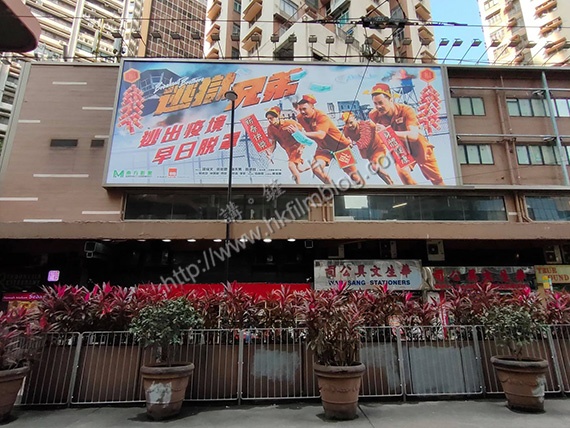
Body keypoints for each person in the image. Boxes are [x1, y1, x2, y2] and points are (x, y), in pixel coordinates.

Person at [368, 83, 444, 185]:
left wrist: (388, 131)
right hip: (399, 148)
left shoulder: (406, 110)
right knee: (403, 174)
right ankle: (417, 194)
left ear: (391, 100)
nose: (378, 107)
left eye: (381, 103)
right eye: (375, 104)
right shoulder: (374, 115)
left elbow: (414, 136)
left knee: (437, 180)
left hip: (419, 147)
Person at [292, 94, 364, 185]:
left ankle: (364, 190)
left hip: (340, 147)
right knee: (316, 169)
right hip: (323, 148)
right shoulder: (300, 118)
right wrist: (301, 145)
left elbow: (321, 135)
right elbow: (301, 133)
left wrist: (303, 133)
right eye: (300, 109)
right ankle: (331, 188)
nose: (302, 112)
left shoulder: (321, 116)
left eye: (304, 109)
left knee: (354, 176)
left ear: (312, 107)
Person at [341, 111, 395, 185]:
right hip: (368, 153)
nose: (349, 125)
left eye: (351, 122)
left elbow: (382, 128)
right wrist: (349, 143)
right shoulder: (346, 130)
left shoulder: (368, 125)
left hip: (378, 148)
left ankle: (392, 181)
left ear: (355, 119)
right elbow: (346, 139)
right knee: (377, 171)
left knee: (375, 167)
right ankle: (390, 184)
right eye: (346, 123)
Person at [265, 106, 310, 184]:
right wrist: (270, 153)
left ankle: (298, 186)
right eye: (268, 119)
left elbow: (303, 132)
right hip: (288, 149)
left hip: (296, 146)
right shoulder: (270, 129)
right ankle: (310, 166)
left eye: (271, 118)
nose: (269, 120)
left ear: (277, 117)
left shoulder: (289, 123)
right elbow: (273, 143)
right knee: (299, 168)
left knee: (291, 165)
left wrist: (302, 146)